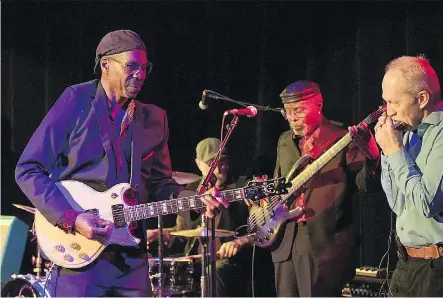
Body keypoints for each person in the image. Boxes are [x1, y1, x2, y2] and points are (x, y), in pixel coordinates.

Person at [14, 29, 226, 297]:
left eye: (145, 67)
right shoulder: (76, 100)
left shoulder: (154, 118)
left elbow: (161, 183)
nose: (141, 74)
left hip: (130, 258)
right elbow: (28, 169)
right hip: (79, 256)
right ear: (105, 65)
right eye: (132, 66)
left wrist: (196, 200)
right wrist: (73, 218)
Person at [258, 80, 380, 297]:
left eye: (299, 110)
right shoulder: (284, 141)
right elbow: (280, 182)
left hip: (322, 246)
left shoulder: (341, 139)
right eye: (288, 112)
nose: (292, 118)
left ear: (319, 106)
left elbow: (366, 186)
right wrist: (265, 198)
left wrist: (372, 159)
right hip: (285, 239)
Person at [148, 137, 253, 297]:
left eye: (222, 162)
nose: (218, 170)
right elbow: (181, 231)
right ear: (198, 164)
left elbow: (259, 228)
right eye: (211, 164)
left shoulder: (241, 186)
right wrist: (157, 233)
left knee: (214, 270)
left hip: (228, 261)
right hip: (195, 259)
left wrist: (240, 242)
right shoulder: (190, 192)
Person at [375, 55, 443, 296]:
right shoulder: (409, 133)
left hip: (436, 270)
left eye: (393, 102)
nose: (388, 112)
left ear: (422, 98)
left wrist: (394, 151)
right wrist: (387, 151)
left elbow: (426, 204)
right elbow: (398, 204)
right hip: (407, 264)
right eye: (385, 102)